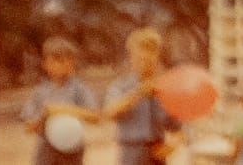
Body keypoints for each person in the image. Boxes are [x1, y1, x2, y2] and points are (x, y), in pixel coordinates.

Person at [19, 35, 98, 165]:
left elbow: (95, 117)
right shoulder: (40, 92)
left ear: (73, 63)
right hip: (47, 147)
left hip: (73, 147)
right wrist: (45, 115)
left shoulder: (79, 89)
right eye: (57, 60)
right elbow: (29, 127)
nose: (64, 65)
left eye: (69, 60)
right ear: (45, 64)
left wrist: (64, 109)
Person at [103, 25, 175, 165]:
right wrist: (139, 92)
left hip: (157, 151)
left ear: (157, 56)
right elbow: (109, 112)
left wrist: (173, 145)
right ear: (131, 57)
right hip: (131, 150)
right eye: (140, 56)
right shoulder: (120, 86)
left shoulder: (166, 88)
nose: (146, 60)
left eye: (151, 54)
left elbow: (177, 126)